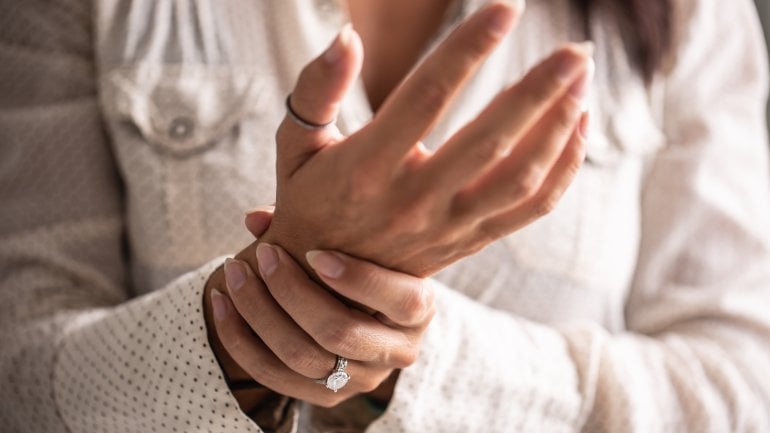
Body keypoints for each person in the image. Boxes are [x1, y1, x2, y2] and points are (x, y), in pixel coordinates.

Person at [1, 0, 769, 432]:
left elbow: (743, 386)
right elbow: (17, 372)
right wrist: (238, 336)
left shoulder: (691, 16)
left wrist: (420, 355)